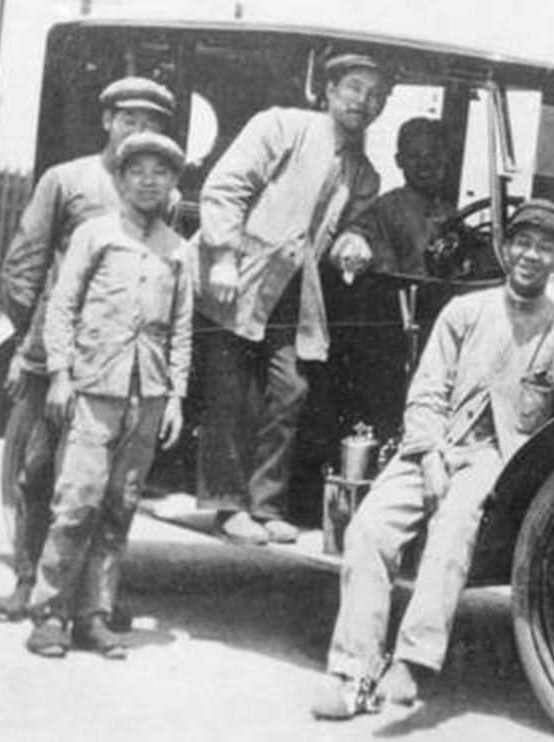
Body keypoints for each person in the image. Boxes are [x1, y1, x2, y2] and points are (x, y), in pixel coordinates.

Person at [311, 200, 554, 719]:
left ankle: (411, 662)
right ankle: (354, 673)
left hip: (496, 460)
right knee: (368, 530)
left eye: (545, 248)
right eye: (523, 243)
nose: (531, 255)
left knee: (453, 528)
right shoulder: (464, 312)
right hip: (434, 445)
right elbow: (426, 391)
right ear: (505, 248)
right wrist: (429, 455)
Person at [0, 76, 176, 621]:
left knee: (103, 484)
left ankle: (88, 600)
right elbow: (24, 266)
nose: (137, 130)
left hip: (116, 363)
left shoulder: (162, 195)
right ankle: (28, 582)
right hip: (52, 354)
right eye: (128, 119)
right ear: (107, 120)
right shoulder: (66, 179)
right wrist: (28, 343)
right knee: (38, 470)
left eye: (151, 124)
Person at [193, 52, 392, 545]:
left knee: (291, 390)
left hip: (294, 292)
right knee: (230, 394)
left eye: (375, 96)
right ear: (329, 90)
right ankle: (227, 507)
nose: (362, 102)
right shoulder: (281, 127)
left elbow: (356, 227)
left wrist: (355, 243)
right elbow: (225, 188)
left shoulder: (363, 174)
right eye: (353, 87)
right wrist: (222, 256)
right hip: (236, 277)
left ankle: (265, 505)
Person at [24, 132, 193, 658]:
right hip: (95, 390)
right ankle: (48, 615)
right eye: (137, 171)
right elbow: (62, 307)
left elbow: (182, 329)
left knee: (120, 508)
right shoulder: (94, 235)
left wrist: (176, 397)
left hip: (149, 395)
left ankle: (93, 617)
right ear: (119, 180)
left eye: (160, 173)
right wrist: (59, 374)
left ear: (173, 183)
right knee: (77, 503)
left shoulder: (178, 250)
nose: (148, 181)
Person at [347, 116, 455, 276]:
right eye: (414, 156)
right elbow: (386, 276)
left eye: (432, 155)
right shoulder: (385, 211)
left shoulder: (449, 213)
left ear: (443, 159)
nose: (424, 164)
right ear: (399, 161)